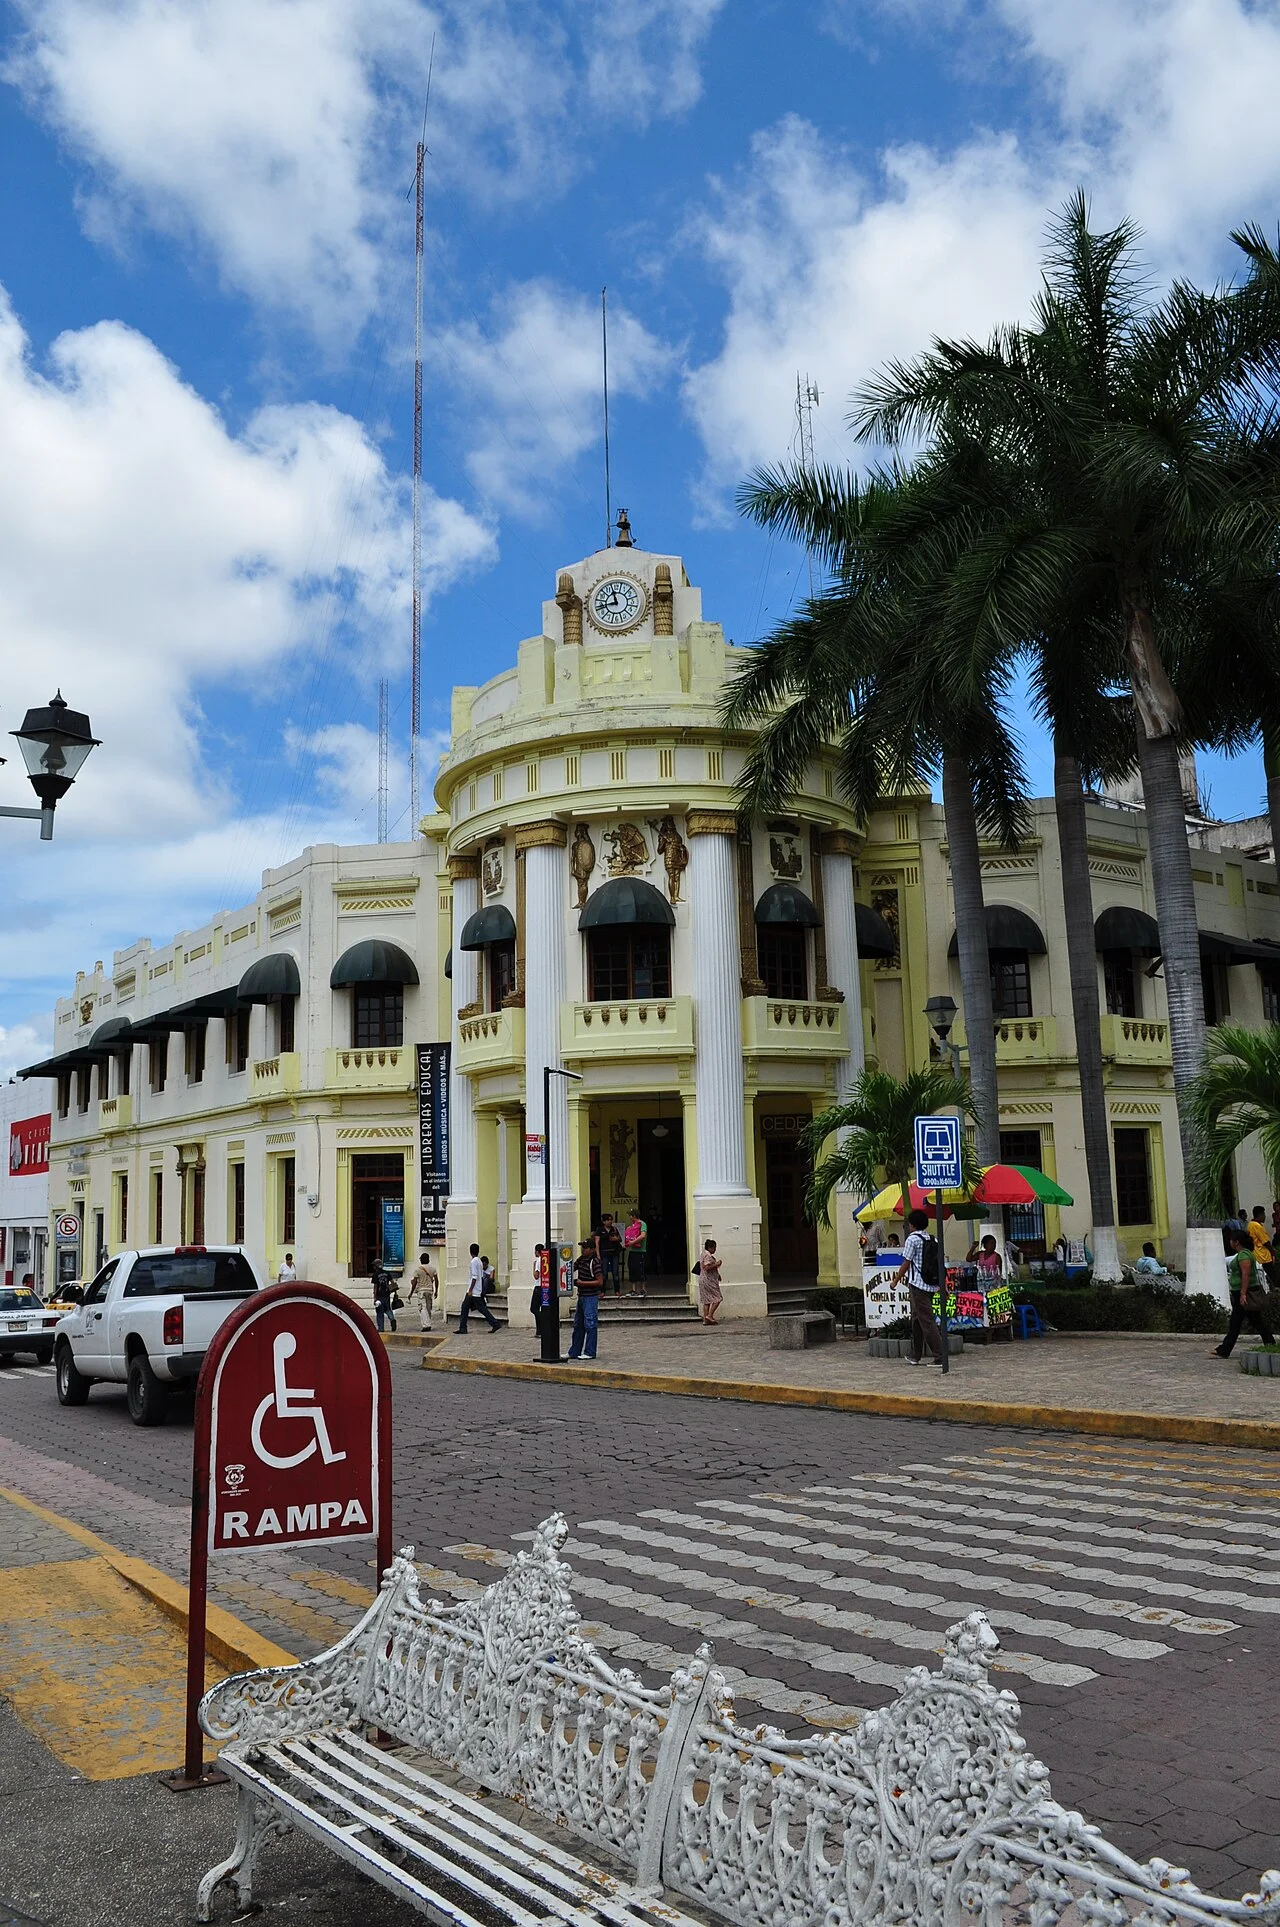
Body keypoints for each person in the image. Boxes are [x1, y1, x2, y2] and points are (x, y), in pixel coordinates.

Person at [1212, 1220, 1277, 1358]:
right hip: (1240, 1292)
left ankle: (1225, 1349)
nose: (1230, 1242)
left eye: (1231, 1240)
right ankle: (1269, 1343)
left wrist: (1242, 1293)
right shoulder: (1242, 1254)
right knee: (1251, 1321)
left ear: (1236, 1242)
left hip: (1245, 1293)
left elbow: (1246, 1274)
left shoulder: (1244, 1255)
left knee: (1240, 1322)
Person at [895, 1208, 944, 1366]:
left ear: (912, 1225)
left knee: (926, 1321)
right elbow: (939, 1264)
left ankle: (940, 1355)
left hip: (918, 1285)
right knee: (917, 1319)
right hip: (930, 1284)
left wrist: (895, 1280)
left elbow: (906, 1262)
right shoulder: (932, 1239)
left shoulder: (912, 1239)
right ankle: (915, 1354)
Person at [567, 1236, 602, 1359]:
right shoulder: (581, 1259)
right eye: (582, 1248)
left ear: (592, 1249)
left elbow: (599, 1281)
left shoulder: (595, 1262)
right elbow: (570, 1268)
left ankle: (590, 1352)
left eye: (585, 1248)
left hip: (590, 1296)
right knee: (578, 1325)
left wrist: (582, 1283)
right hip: (582, 1296)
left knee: (590, 1324)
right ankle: (574, 1351)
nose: (583, 1250)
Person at [457, 1242, 499, 1334]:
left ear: (470, 1252)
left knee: (466, 1307)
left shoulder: (473, 1262)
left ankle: (463, 1328)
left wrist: (470, 1290)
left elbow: (474, 1277)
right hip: (477, 1289)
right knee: (478, 1308)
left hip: (473, 1291)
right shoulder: (479, 1261)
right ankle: (494, 1323)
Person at [406, 1251, 439, 1330]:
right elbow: (437, 1280)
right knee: (428, 1308)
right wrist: (436, 1291)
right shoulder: (433, 1269)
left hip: (421, 1290)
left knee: (422, 1308)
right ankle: (429, 1322)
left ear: (421, 1260)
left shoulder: (418, 1270)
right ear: (428, 1260)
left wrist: (411, 1293)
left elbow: (414, 1282)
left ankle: (426, 1325)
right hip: (430, 1290)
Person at [595, 1212, 624, 1296]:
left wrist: (616, 1239)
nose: (610, 1222)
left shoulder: (614, 1229)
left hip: (614, 1253)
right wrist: (598, 1254)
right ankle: (602, 1291)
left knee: (615, 1273)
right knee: (604, 1273)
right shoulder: (600, 1230)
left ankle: (617, 1290)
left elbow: (620, 1239)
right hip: (604, 1253)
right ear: (604, 1221)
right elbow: (597, 1242)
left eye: (611, 1220)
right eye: (608, 1220)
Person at [696, 1239, 723, 1324]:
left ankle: (705, 1320)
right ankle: (709, 1315)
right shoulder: (708, 1256)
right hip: (708, 1281)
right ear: (710, 1248)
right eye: (714, 1248)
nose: (715, 1249)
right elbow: (707, 1267)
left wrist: (717, 1275)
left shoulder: (702, 1254)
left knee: (706, 1300)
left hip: (703, 1279)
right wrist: (717, 1264)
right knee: (718, 1298)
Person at [623, 1208, 648, 1294]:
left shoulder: (642, 1224)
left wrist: (632, 1242)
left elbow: (643, 1235)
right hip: (633, 1250)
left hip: (640, 1251)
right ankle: (633, 1289)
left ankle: (643, 1289)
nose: (629, 1217)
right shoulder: (632, 1226)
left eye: (630, 1215)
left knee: (641, 1269)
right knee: (632, 1269)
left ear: (634, 1216)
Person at [371, 1261, 396, 1333]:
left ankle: (381, 1327)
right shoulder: (387, 1273)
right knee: (388, 1308)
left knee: (379, 1311)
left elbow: (375, 1286)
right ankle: (392, 1319)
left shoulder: (375, 1274)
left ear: (375, 1266)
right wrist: (390, 1290)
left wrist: (375, 1297)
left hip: (379, 1295)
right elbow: (392, 1282)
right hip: (387, 1294)